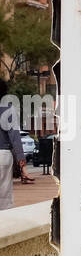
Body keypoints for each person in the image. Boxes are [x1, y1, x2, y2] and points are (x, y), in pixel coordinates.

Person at [0, 80, 34, 210]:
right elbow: (14, 137)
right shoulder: (8, 109)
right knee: (4, 198)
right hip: (3, 155)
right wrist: (22, 162)